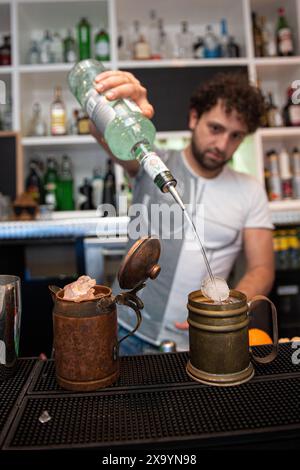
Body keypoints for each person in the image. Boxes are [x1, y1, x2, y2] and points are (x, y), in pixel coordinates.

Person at [90, 71, 274, 354]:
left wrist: (224, 311)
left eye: (235, 136)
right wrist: (124, 104)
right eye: (215, 128)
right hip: (124, 329)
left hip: (200, 341)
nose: (223, 145)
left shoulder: (250, 190)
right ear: (193, 118)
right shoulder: (152, 163)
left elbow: (261, 268)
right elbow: (101, 133)